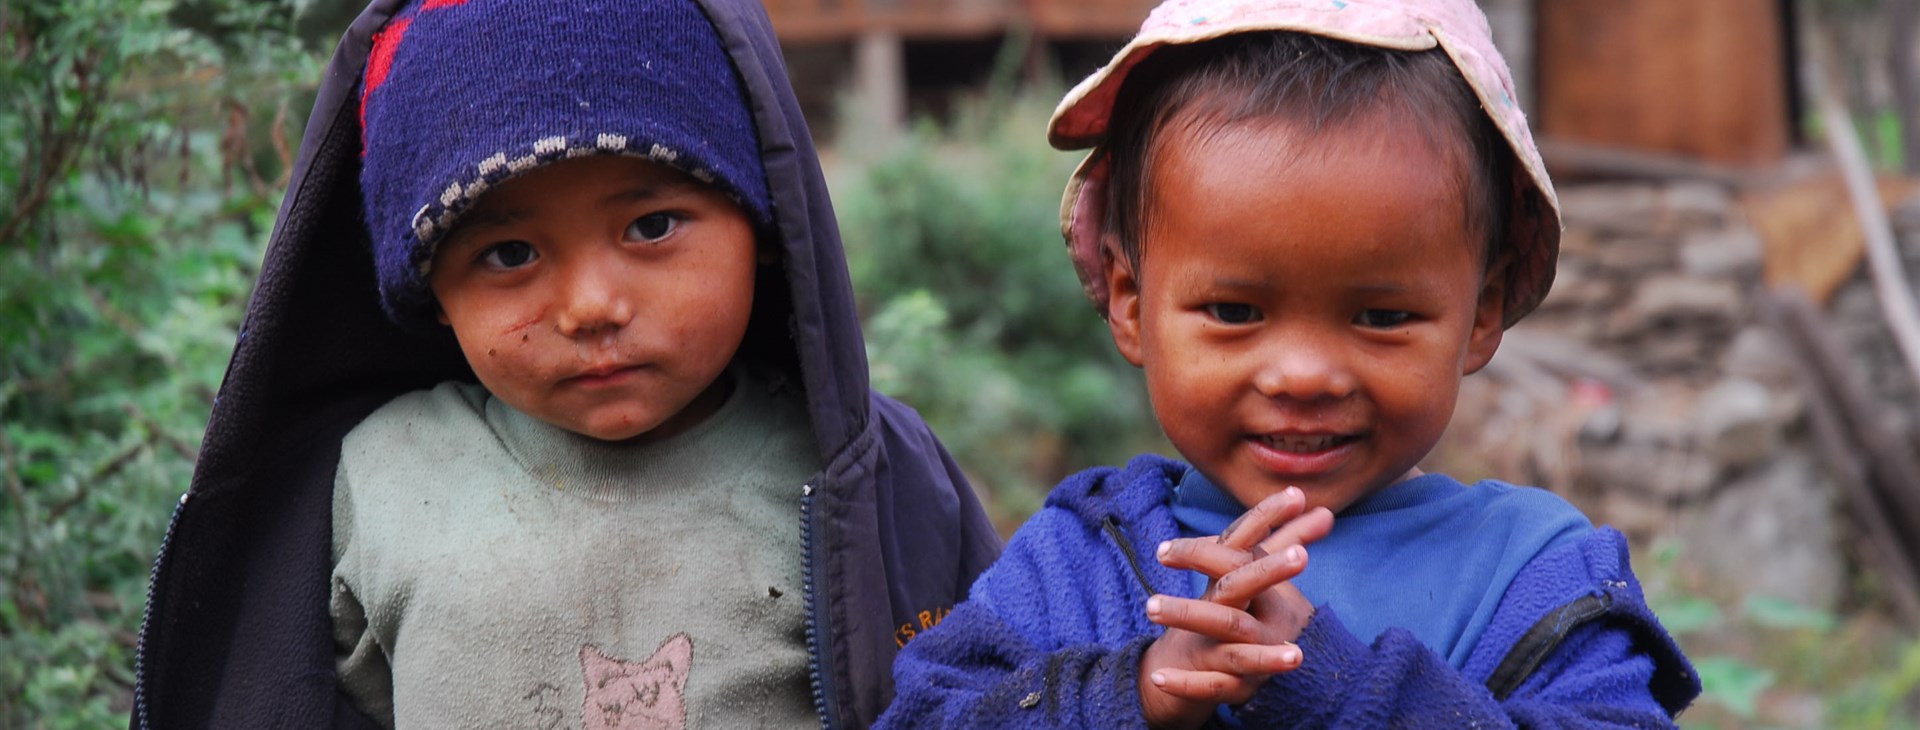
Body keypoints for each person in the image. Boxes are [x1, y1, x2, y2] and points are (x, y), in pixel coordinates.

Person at [126, 0, 1002, 726]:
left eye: (651, 227)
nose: (591, 307)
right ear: (433, 295)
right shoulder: (373, 484)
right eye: (508, 254)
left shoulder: (877, 481)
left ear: (765, 226)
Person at [879, 0, 1701, 727]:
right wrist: (1130, 690)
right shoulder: (1081, 563)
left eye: (1382, 316)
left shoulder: (1532, 576)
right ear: (1131, 302)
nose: (1304, 374)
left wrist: (1338, 687)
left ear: (1481, 314)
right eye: (1235, 312)